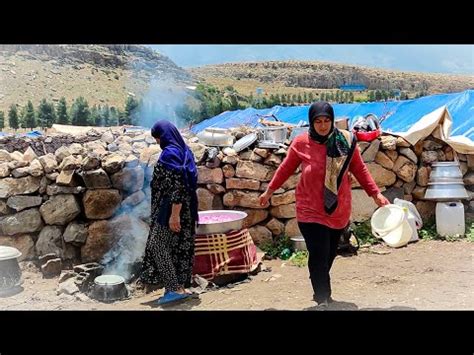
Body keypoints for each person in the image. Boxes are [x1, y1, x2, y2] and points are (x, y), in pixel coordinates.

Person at [259, 101, 389, 307]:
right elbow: (285, 169)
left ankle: (320, 288)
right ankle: (322, 298)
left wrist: (375, 194)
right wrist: (269, 190)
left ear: (332, 120)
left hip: (338, 209)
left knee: (328, 254)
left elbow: (360, 170)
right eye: (317, 121)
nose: (322, 125)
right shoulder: (301, 143)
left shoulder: (345, 141)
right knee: (318, 253)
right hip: (309, 209)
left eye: (326, 120)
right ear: (311, 122)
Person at [140, 120, 199, 305]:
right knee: (178, 246)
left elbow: (177, 187)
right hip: (186, 208)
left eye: (158, 138)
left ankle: (174, 289)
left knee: (158, 244)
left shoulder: (169, 155)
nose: (158, 142)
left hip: (171, 209)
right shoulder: (185, 151)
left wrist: (174, 215)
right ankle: (179, 286)